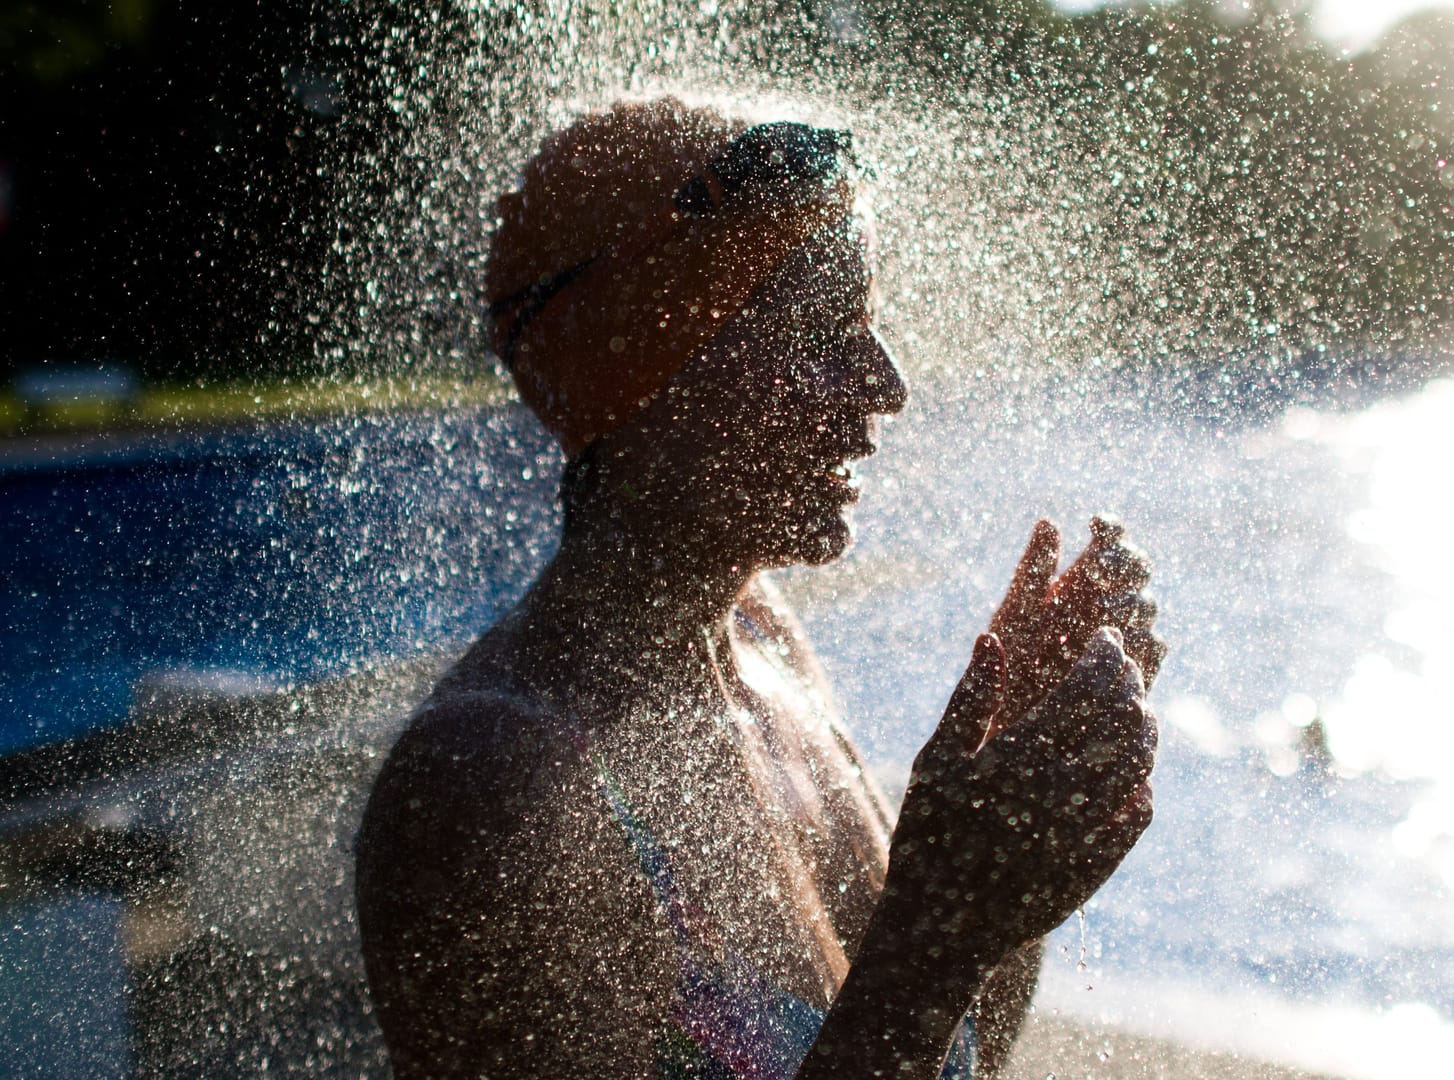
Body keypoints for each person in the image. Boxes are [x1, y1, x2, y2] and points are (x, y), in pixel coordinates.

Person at [355, 97, 1164, 1080]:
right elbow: (919, 982)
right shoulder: (488, 787)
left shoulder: (764, 646)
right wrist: (939, 930)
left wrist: (1006, 800)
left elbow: (957, 1052)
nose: (887, 383)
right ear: (648, 366)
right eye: (824, 334)